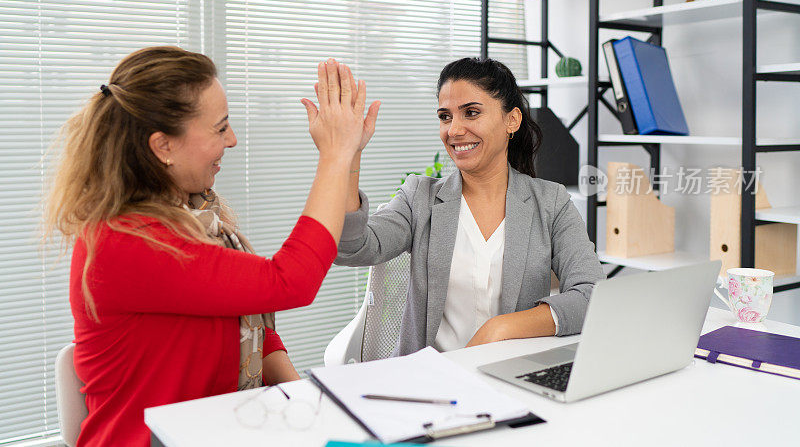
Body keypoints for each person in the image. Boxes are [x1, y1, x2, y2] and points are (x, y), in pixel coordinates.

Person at [43, 47, 379, 446]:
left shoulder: (196, 215)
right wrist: (335, 156)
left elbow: (252, 325)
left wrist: (305, 399)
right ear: (163, 146)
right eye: (220, 128)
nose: (233, 140)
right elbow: (290, 281)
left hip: (222, 428)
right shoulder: (126, 241)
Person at [335, 57, 605, 355]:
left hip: (510, 378)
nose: (454, 130)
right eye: (445, 117)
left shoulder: (551, 203)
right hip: (434, 382)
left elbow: (592, 294)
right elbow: (351, 248)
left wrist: (499, 328)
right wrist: (348, 154)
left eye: (471, 113)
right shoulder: (419, 199)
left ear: (511, 120)